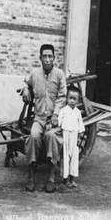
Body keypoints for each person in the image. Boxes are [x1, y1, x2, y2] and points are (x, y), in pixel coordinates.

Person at [21, 44, 67, 193]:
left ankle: (51, 178)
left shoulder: (60, 74)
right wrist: (26, 89)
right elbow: (25, 82)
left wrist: (56, 114)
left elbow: (62, 96)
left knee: (52, 136)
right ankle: (31, 177)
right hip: (39, 118)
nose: (47, 59)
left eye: (50, 56)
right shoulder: (35, 74)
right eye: (44, 56)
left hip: (54, 119)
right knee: (33, 137)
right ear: (40, 58)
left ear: (54, 58)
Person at [58, 86, 85, 188]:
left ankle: (72, 179)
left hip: (74, 136)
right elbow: (59, 123)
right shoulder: (63, 110)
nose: (72, 101)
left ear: (78, 101)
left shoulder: (78, 112)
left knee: (74, 158)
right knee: (65, 157)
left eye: (75, 99)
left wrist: (79, 137)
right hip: (66, 135)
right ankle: (65, 180)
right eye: (70, 98)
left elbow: (80, 126)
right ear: (67, 98)